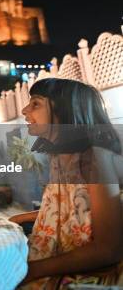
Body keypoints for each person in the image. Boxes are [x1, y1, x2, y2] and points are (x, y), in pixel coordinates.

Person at [9, 78, 123, 288]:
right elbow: (74, 213)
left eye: (36, 104)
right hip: (56, 261)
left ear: (65, 109)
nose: (25, 110)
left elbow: (109, 248)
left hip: (86, 274)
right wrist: (23, 217)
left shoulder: (93, 158)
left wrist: (32, 270)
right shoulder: (59, 158)